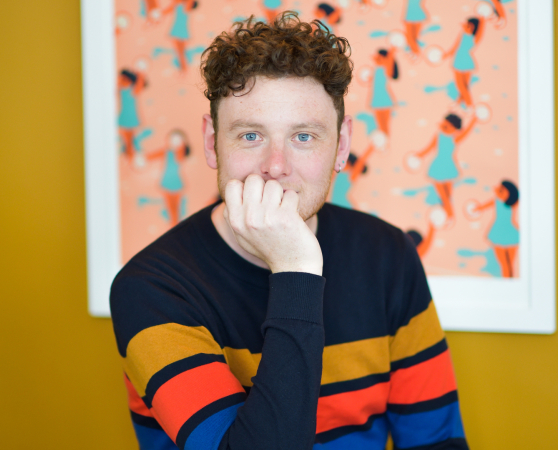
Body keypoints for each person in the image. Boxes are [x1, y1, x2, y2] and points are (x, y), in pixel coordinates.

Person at [110, 12, 468, 450]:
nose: (275, 166)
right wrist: (296, 270)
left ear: (342, 146)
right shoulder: (151, 289)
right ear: (211, 142)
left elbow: (436, 440)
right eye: (249, 136)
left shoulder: (387, 253)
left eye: (303, 137)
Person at [414, 112, 477, 221]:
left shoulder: (454, 138)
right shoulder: (438, 136)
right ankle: (449, 215)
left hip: (449, 166)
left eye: (446, 126)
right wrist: (420, 155)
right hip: (438, 166)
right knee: (443, 195)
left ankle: (448, 215)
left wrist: (474, 120)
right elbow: (430, 147)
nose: (443, 127)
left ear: (454, 129)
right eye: (443, 125)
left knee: (448, 195)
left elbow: (466, 132)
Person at [469, 180, 519, 277]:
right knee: (504, 264)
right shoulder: (497, 201)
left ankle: (510, 283)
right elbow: (485, 206)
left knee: (510, 264)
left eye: (502, 190)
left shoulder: (513, 203)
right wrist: (478, 208)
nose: (498, 191)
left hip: (510, 232)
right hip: (498, 232)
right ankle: (508, 283)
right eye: (499, 189)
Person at [146, 129, 191, 226]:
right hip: (166, 182)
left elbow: (179, 158)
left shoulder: (180, 153)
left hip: (176, 182)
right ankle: (173, 226)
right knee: (170, 208)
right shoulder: (166, 151)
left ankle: (176, 226)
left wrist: (180, 146)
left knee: (176, 209)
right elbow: (152, 156)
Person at [443, 17, 484, 107]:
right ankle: (459, 102)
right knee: (461, 86)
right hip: (458, 60)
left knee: (463, 86)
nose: (466, 27)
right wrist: (446, 55)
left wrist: (483, 17)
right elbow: (455, 46)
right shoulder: (462, 34)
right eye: (466, 25)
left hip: (466, 61)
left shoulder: (475, 38)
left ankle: (469, 105)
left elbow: (481, 28)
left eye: (469, 26)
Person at [368, 48, 399, 137]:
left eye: (379, 57)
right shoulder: (376, 70)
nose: (376, 58)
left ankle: (386, 145)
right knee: (381, 127)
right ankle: (384, 144)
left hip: (385, 100)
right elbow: (374, 87)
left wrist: (392, 52)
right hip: (376, 101)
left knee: (385, 127)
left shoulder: (386, 70)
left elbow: (389, 60)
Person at [118, 69, 146, 159]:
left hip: (130, 116)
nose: (122, 81)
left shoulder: (131, 91)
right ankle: (129, 151)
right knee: (126, 137)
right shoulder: (121, 90)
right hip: (124, 115)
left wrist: (140, 75)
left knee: (129, 138)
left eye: (124, 80)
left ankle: (130, 152)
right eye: (121, 79)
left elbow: (139, 85)